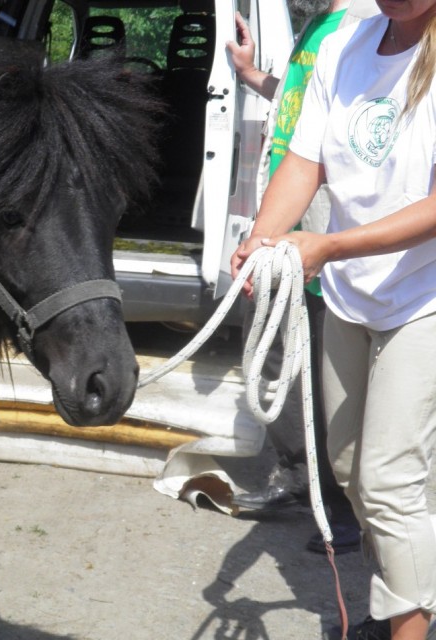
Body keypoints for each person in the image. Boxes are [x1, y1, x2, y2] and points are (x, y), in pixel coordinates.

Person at [231, 0, 436, 638]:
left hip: (425, 295)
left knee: (388, 479)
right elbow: (304, 159)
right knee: (348, 468)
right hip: (353, 292)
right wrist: (264, 242)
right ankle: (409, 591)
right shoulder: (344, 44)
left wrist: (329, 246)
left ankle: (410, 625)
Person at [225, 0, 375, 557]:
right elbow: (299, 110)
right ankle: (306, 481)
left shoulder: (360, 28)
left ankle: (342, 507)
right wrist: (250, 75)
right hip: (291, 222)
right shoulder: (320, 30)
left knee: (312, 365)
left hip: (317, 229)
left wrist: (318, 241)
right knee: (275, 349)